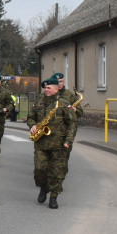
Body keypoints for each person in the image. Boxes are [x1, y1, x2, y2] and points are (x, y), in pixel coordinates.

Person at [28, 77, 78, 209]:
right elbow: (30, 117)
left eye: (49, 88)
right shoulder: (38, 103)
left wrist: (68, 141)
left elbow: (72, 123)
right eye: (45, 88)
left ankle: (54, 197)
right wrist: (32, 125)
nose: (46, 90)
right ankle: (43, 188)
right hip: (41, 143)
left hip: (59, 145)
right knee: (39, 169)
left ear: (56, 89)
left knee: (56, 172)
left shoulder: (63, 104)